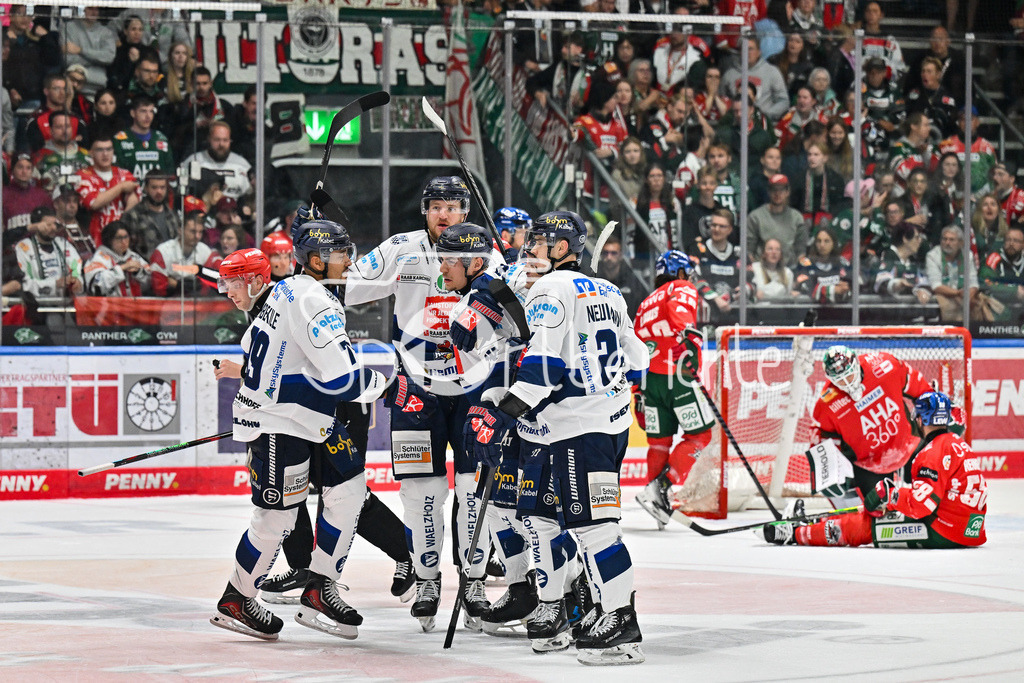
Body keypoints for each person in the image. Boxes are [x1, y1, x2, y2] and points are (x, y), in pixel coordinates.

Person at [470, 210, 648, 665]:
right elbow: (639, 357)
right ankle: (597, 608)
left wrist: (503, 414)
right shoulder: (609, 290)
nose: (528, 249)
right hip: (610, 423)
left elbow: (543, 369)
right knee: (578, 524)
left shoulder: (551, 288)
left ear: (562, 248)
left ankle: (620, 621)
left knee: (595, 529)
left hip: (577, 429)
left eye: (537, 243)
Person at [209, 226, 388, 641]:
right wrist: (391, 386)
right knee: (276, 518)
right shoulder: (310, 297)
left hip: (306, 417)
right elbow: (343, 379)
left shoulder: (291, 288)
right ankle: (236, 599)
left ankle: (319, 588)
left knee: (350, 489)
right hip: (278, 422)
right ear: (318, 261)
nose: (350, 262)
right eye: (341, 254)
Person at [342, 176, 496, 632]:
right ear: (424, 211)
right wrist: (322, 253)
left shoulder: (487, 253)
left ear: (465, 212)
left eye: (453, 206)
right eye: (436, 206)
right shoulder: (400, 249)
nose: (444, 214)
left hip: (473, 390)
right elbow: (344, 286)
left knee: (474, 490)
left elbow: (519, 308)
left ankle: (474, 582)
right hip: (416, 390)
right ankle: (427, 580)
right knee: (420, 493)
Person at [762, 392, 986, 548]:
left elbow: (920, 506)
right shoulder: (959, 445)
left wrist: (890, 495)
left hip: (942, 533)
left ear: (922, 419)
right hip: (968, 531)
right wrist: (894, 498)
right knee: (884, 512)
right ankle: (814, 525)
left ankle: (796, 534)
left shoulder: (932, 452)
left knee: (866, 525)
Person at [633, 250, 714, 528]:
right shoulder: (681, 287)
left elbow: (635, 345)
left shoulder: (645, 303)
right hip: (676, 375)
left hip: (648, 381)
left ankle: (656, 501)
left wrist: (637, 390)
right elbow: (681, 316)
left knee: (659, 443)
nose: (688, 278)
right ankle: (663, 486)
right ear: (679, 272)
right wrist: (689, 345)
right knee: (701, 435)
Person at [803, 344, 933, 510]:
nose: (847, 383)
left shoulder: (886, 365)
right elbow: (820, 439)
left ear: (856, 364)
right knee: (876, 513)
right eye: (840, 380)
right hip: (869, 465)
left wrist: (940, 415)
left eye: (849, 375)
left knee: (934, 491)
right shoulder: (827, 403)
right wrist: (827, 472)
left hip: (909, 445)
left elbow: (922, 391)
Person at [693, 208, 752, 323]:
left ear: (730, 229)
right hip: (705, 317)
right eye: (714, 225)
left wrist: (744, 290)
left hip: (735, 314)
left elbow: (752, 281)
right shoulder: (697, 250)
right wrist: (715, 298)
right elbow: (693, 278)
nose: (716, 229)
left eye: (721, 226)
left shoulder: (739, 253)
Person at [77, 135, 139, 245]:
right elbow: (94, 203)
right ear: (91, 153)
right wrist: (121, 187)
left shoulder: (124, 174)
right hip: (95, 239)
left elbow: (135, 200)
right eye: (100, 150)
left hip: (123, 238)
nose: (105, 154)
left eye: (109, 149)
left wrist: (121, 226)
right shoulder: (82, 175)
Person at [14, 205, 84, 298]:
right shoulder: (23, 247)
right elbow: (25, 284)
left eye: (55, 224)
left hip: (64, 303)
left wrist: (76, 280)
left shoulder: (63, 243)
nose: (53, 228)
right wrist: (55, 284)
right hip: (36, 303)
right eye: (48, 225)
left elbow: (76, 267)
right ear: (36, 226)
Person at [747, 174, 810, 267]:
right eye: (774, 190)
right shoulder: (755, 217)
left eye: (781, 190)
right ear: (769, 192)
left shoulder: (797, 218)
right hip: (762, 269)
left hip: (789, 269)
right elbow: (749, 251)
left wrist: (802, 269)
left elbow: (801, 251)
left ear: (787, 192)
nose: (777, 193)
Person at [179, 121, 251, 200]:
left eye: (225, 140)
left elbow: (249, 196)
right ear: (209, 139)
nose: (221, 144)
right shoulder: (194, 161)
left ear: (230, 141)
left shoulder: (242, 165)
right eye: (217, 140)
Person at [149, 210, 212, 297]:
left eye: (200, 232)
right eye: (193, 231)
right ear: (180, 230)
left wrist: (174, 283)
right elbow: (158, 287)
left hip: (196, 301)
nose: (197, 236)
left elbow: (207, 287)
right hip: (168, 301)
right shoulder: (163, 251)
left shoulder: (205, 251)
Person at [114, 96, 174, 181]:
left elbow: (170, 173)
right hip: (129, 188)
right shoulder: (120, 140)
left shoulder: (162, 139)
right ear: (133, 113)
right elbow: (115, 173)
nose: (148, 116)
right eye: (143, 111)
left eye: (151, 111)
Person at [83, 220, 150, 296]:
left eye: (126, 237)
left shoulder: (134, 257)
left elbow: (151, 283)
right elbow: (95, 287)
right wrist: (122, 268)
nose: (124, 241)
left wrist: (138, 272)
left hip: (135, 302)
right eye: (119, 238)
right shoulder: (99, 258)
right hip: (108, 303)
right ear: (109, 240)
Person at [61, 6, 117, 98]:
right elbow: (68, 59)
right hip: (72, 85)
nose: (94, 12)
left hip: (98, 85)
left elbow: (109, 57)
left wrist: (80, 50)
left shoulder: (106, 32)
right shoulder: (68, 27)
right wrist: (98, 60)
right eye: (90, 8)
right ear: (82, 9)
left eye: (96, 9)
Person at [121, 172, 179, 258]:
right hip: (144, 265)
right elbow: (125, 248)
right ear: (146, 188)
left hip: (172, 264)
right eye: (154, 187)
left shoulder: (172, 215)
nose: (159, 191)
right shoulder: (133, 216)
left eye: (162, 187)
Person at [872, 221, 932, 304]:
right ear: (905, 239)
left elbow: (924, 282)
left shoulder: (912, 261)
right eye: (917, 237)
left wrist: (921, 290)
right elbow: (881, 282)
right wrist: (898, 284)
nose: (920, 241)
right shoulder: (888, 255)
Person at [795, 227, 855, 303]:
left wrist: (843, 289)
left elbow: (850, 287)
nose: (822, 245)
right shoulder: (805, 263)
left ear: (833, 243)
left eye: (826, 241)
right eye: (819, 241)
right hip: (812, 308)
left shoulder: (843, 263)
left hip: (840, 308)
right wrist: (834, 289)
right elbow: (806, 288)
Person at [978, 225, 1024, 316]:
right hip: (999, 306)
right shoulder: (994, 258)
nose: (1011, 243)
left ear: (1023, 245)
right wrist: (1014, 291)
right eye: (1008, 240)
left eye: (1016, 241)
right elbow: (985, 283)